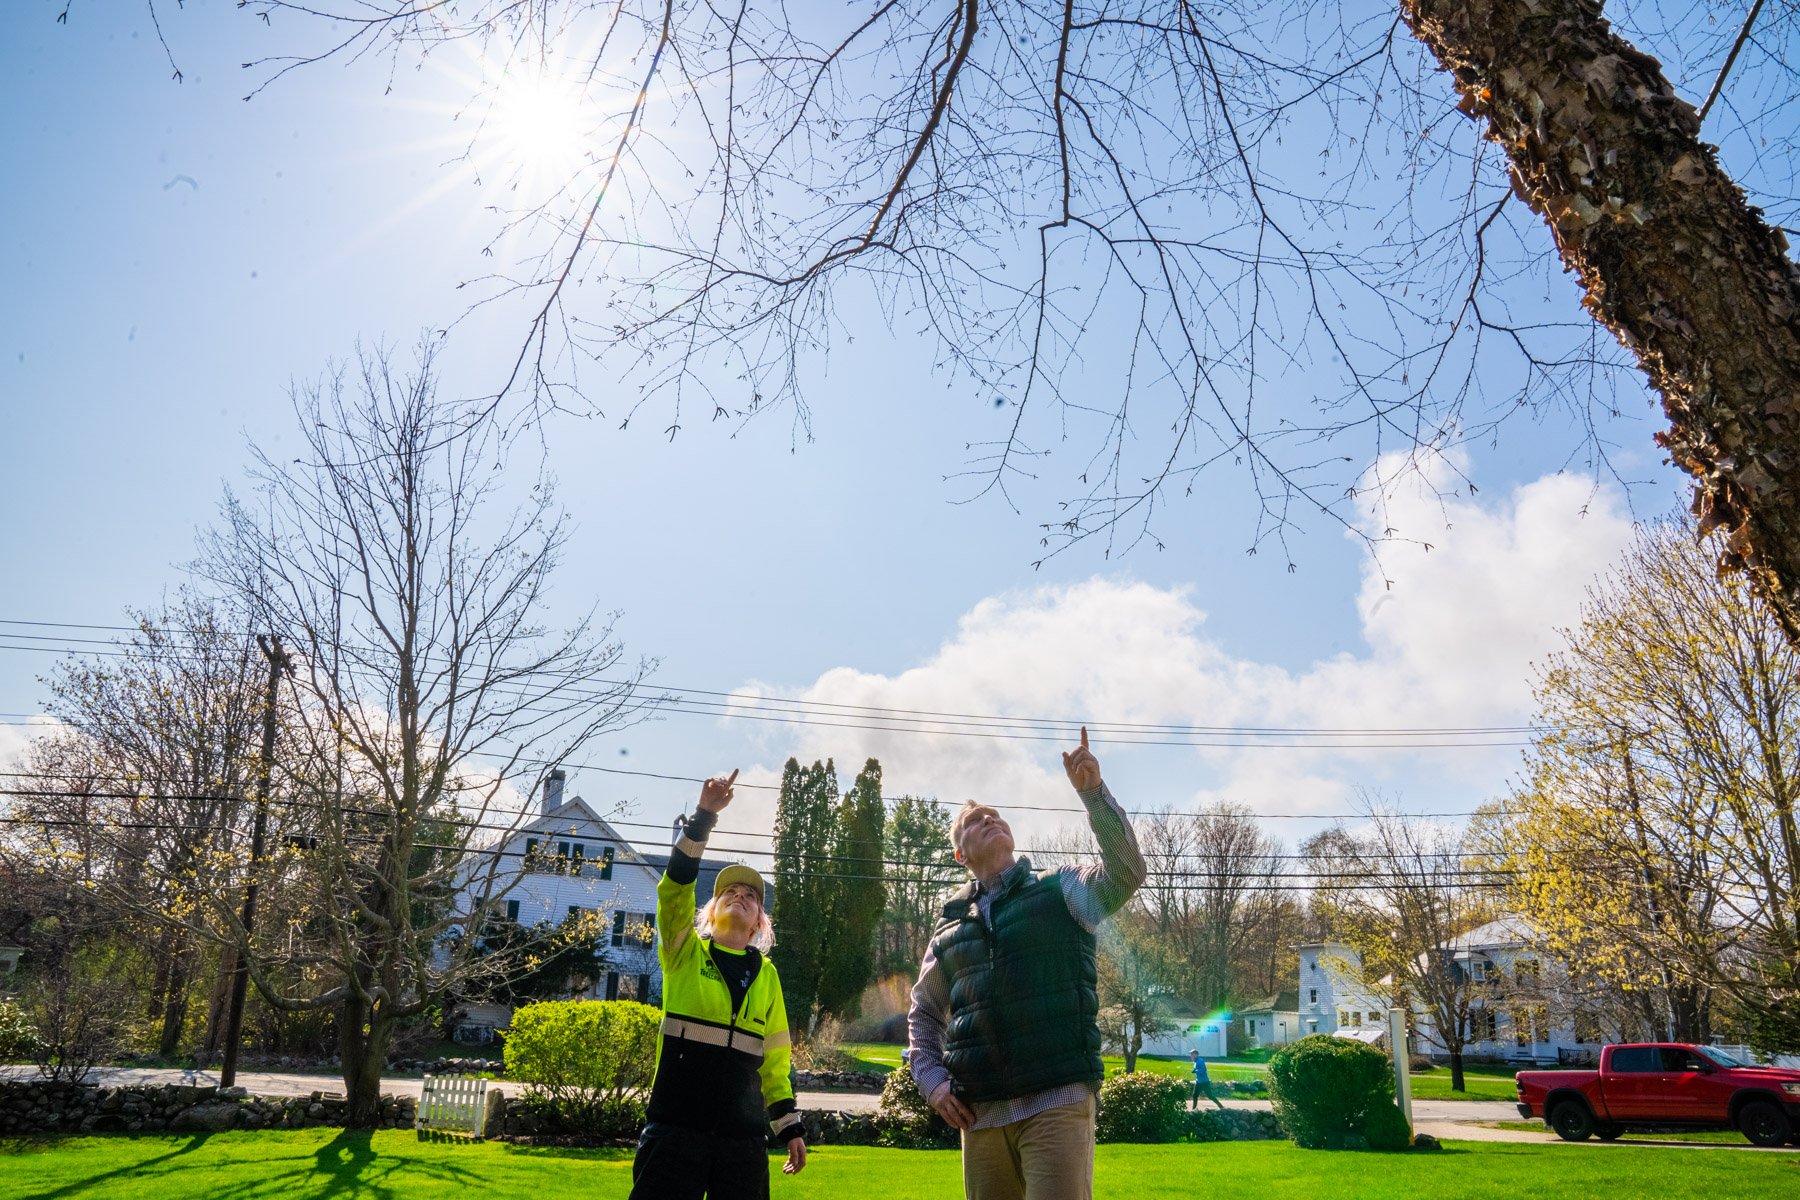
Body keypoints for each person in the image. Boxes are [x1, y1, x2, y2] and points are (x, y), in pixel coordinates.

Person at [907, 728, 1146, 1200]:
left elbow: (1127, 871)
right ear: (961, 854)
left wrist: (1093, 795)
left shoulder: (1062, 891)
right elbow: (922, 1014)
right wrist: (933, 1084)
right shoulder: (949, 929)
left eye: (996, 815)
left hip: (1056, 1101)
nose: (991, 820)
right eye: (977, 820)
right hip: (980, 1117)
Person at [631, 769, 806, 1200]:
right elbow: (674, 890)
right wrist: (704, 816)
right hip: (674, 1133)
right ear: (709, 912)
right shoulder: (683, 952)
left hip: (741, 1144)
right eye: (729, 892)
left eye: (751, 895)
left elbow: (776, 1062)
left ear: (759, 924)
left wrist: (788, 1127)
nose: (740, 896)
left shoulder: (768, 977)